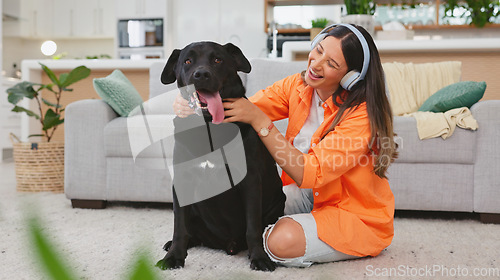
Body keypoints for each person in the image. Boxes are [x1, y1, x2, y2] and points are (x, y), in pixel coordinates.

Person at [173, 24, 398, 268]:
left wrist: (261, 122)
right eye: (319, 50)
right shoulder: (298, 86)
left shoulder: (360, 115)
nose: (316, 64)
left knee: (278, 242)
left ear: (350, 77)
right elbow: (240, 107)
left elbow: (308, 172)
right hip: (307, 196)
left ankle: (356, 237)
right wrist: (193, 98)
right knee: (247, 207)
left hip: (351, 210)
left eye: (331, 63)